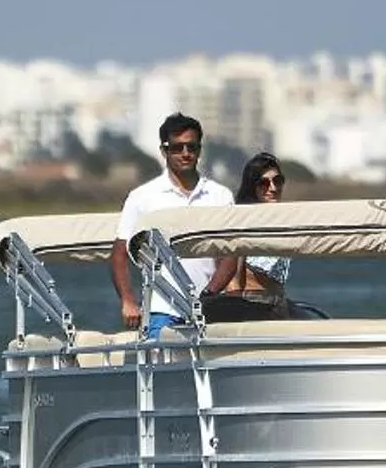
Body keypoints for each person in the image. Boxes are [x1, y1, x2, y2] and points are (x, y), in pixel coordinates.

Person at [112, 113, 235, 336]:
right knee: (161, 365)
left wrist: (210, 294)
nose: (185, 154)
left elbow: (230, 254)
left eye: (192, 147)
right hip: (161, 309)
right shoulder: (142, 197)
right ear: (164, 151)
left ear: (199, 149)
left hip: (208, 309)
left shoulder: (220, 196)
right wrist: (128, 301)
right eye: (177, 148)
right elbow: (120, 254)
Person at [205, 152, 292, 322]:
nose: (273, 188)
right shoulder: (241, 223)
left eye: (277, 181)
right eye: (264, 183)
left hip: (279, 306)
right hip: (253, 306)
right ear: (252, 186)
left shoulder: (284, 223)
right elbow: (232, 281)